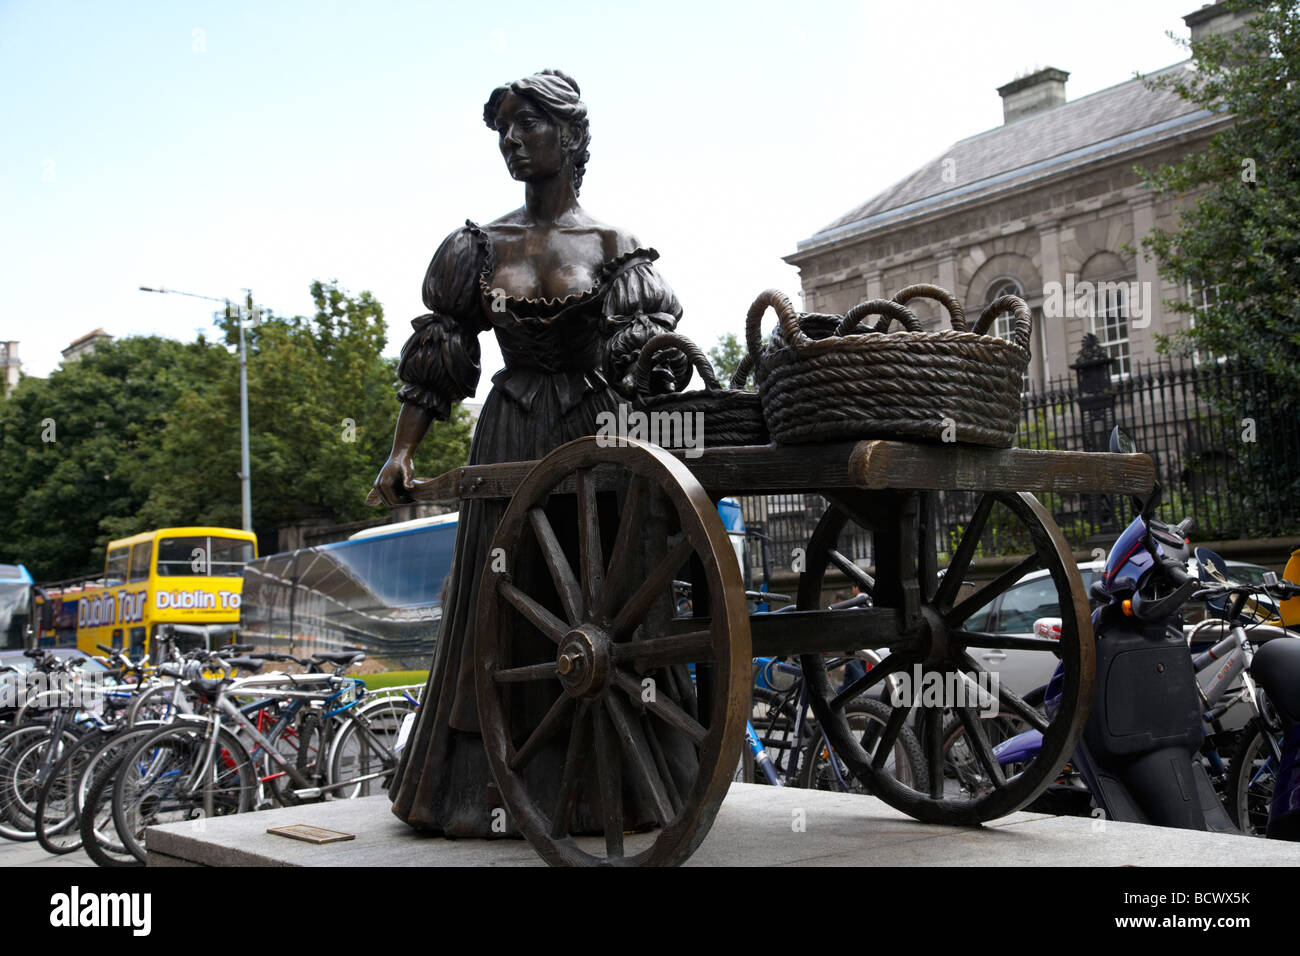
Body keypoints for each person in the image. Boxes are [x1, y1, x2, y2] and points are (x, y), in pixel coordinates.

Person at [372, 70, 688, 836]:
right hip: (511, 432)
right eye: (503, 129)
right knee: (503, 603)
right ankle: (488, 790)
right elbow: (439, 356)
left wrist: (662, 382)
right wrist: (401, 453)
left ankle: (616, 785)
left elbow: (648, 364)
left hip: (596, 438)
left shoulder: (616, 247)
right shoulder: (478, 247)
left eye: (529, 124)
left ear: (572, 137)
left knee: (599, 597)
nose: (512, 140)